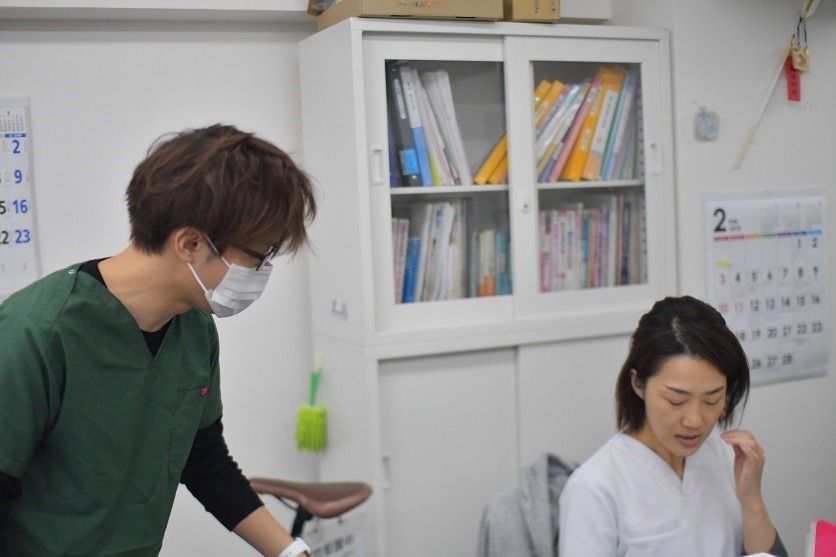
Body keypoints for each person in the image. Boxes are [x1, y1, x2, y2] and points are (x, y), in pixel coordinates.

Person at [0, 124, 317, 557]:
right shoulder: (35, 333)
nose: (261, 272)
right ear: (190, 243)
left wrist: (292, 552)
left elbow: (204, 459)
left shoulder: (194, 328)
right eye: (258, 256)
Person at [558, 295, 788, 557]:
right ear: (638, 384)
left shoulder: (725, 456)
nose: (695, 420)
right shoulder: (594, 488)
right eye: (676, 400)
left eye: (712, 400)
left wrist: (751, 498)